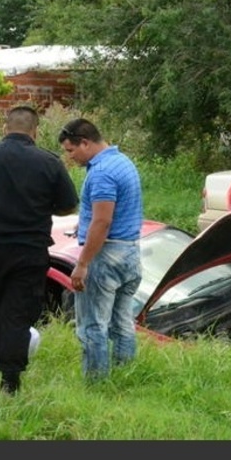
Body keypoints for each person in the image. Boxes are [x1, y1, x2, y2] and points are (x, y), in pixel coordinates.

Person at [0, 105, 78, 394]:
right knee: (17, 316)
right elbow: (69, 204)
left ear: (5, 128)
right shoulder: (50, 162)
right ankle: (11, 381)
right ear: (35, 131)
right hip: (29, 254)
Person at [58, 118, 144, 383]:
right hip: (130, 252)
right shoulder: (123, 162)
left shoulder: (102, 172)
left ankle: (96, 383)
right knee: (122, 322)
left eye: (71, 150)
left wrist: (82, 263)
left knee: (93, 325)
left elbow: (103, 221)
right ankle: (124, 376)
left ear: (85, 142)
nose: (70, 157)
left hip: (106, 255)